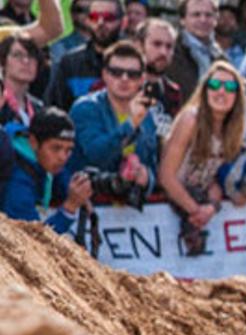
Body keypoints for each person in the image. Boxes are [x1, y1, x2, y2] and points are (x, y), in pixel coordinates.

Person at [159, 61, 246, 253]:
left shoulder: (232, 130)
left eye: (230, 87)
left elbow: (212, 179)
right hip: (169, 201)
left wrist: (212, 207)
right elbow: (166, 175)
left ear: (237, 96)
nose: (221, 91)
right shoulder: (191, 119)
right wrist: (195, 210)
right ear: (205, 90)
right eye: (214, 85)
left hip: (197, 201)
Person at [67, 40, 157, 195]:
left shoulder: (146, 114)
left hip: (131, 210)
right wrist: (130, 125)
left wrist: (146, 177)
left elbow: (154, 165)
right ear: (104, 75)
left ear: (142, 79)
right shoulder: (85, 108)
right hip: (89, 204)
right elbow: (95, 156)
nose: (124, 79)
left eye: (132, 74)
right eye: (116, 72)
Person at [1, 107, 91, 234]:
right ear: (33, 142)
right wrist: (70, 208)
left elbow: (61, 174)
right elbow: (34, 242)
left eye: (68, 150)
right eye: (56, 148)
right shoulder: (17, 182)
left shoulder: (37, 158)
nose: (62, 157)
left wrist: (77, 189)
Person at [44, 0, 122, 111]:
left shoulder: (135, 62)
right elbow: (54, 109)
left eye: (108, 17)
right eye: (94, 17)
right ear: (88, 21)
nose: (100, 22)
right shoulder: (70, 63)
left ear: (122, 21)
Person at [166, 0, 225, 100]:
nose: (203, 20)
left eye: (208, 15)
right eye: (196, 15)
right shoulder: (171, 52)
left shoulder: (221, 57)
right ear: (183, 20)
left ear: (216, 19)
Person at [135, 18, 183, 129]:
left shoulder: (173, 92)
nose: (163, 52)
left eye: (169, 46)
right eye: (157, 44)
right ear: (139, 45)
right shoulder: (123, 86)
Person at [0, 32, 43, 132]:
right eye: (17, 55)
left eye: (32, 56)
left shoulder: (39, 109)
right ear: (3, 61)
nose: (26, 61)